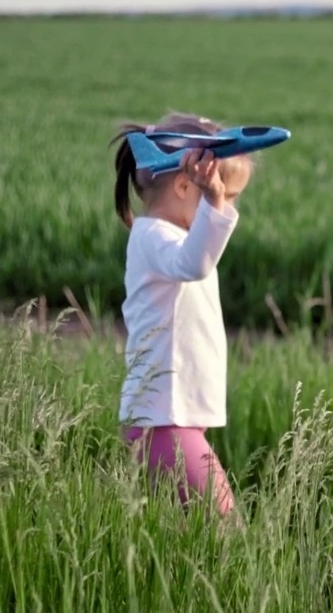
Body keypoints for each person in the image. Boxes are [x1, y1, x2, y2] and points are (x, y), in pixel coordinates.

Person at [109, 112, 254, 521]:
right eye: (224, 192)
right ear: (185, 184)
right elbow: (194, 265)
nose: (227, 204)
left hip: (174, 418)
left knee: (192, 537)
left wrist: (211, 203)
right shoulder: (154, 236)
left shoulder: (168, 239)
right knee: (226, 533)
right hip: (164, 422)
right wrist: (215, 203)